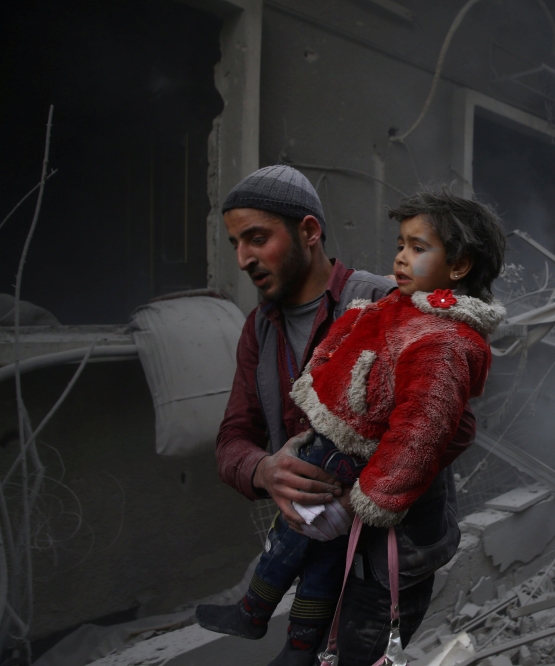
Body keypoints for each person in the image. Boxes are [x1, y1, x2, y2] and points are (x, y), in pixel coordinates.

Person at [202, 166, 481, 666]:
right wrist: (266, 470)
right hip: (315, 536)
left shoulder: (386, 304)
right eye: (235, 243)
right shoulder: (259, 329)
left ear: (310, 231)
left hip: (383, 558)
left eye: (257, 238)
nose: (243, 258)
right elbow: (233, 438)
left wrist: (358, 478)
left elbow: (452, 425)